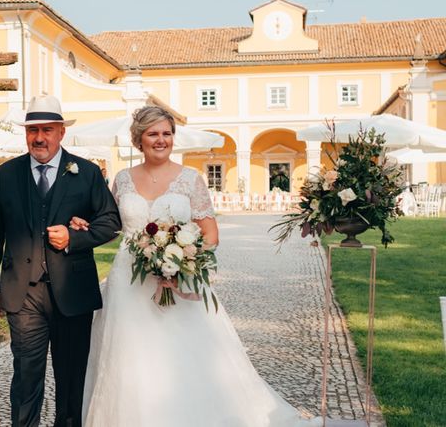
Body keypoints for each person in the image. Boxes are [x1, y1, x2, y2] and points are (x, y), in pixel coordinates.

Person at [76, 105, 320, 426]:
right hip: (129, 281)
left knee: (185, 353)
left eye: (166, 133)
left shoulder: (191, 179)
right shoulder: (122, 179)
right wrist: (86, 227)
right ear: (139, 139)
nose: (160, 140)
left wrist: (181, 260)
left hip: (180, 279)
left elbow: (210, 234)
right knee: (130, 355)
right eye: (153, 134)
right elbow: (114, 226)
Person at [0, 95, 121, 427]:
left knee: (71, 377)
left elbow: (110, 222)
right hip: (22, 293)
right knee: (26, 375)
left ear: (61, 133)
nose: (38, 137)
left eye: (46, 129)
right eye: (32, 130)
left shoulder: (85, 172)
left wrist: (74, 238)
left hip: (72, 292)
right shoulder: (6, 173)